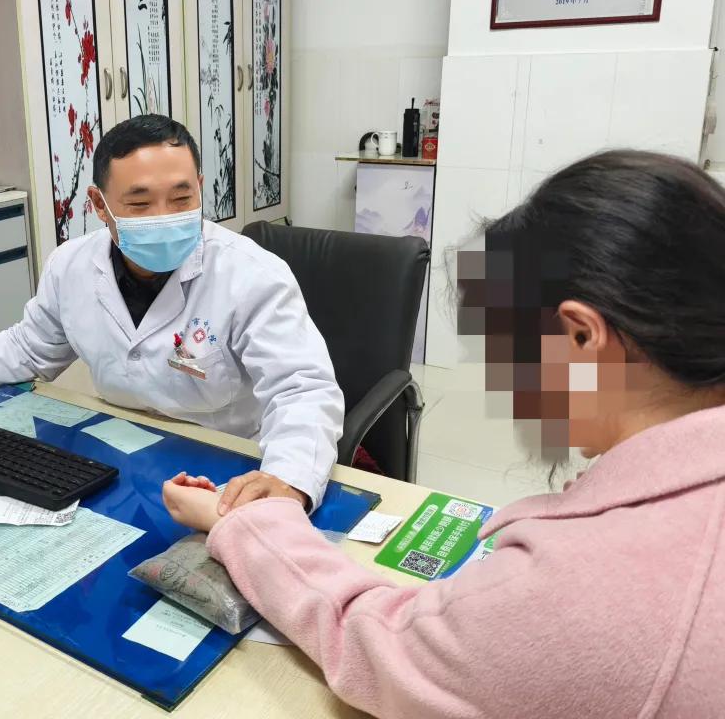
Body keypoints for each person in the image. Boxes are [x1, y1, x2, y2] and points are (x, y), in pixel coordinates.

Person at [163, 150, 725, 718]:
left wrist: (247, 524)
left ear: (582, 336)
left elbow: (382, 648)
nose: (510, 382)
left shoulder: (587, 582)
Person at [0, 115, 343, 512]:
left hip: (223, 461)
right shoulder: (72, 265)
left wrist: (290, 477)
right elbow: (27, 349)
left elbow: (304, 389)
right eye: (139, 204)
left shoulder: (252, 274)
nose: (164, 217)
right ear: (99, 204)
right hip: (116, 453)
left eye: (182, 197)